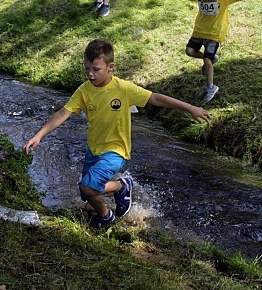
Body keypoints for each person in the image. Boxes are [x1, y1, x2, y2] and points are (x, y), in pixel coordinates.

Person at [23, 38, 211, 227]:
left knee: (87, 186)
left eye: (96, 69)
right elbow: (63, 113)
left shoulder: (123, 89)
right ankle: (106, 217)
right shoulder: (84, 91)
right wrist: (39, 135)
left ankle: (122, 186)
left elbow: (155, 98)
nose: (90, 74)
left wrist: (190, 108)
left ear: (110, 67)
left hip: (116, 150)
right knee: (86, 194)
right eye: (87, 68)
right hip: (94, 150)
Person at [164, 0, 262, 102]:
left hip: (214, 33)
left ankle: (211, 86)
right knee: (189, 51)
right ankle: (211, 58)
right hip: (199, 30)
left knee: (207, 60)